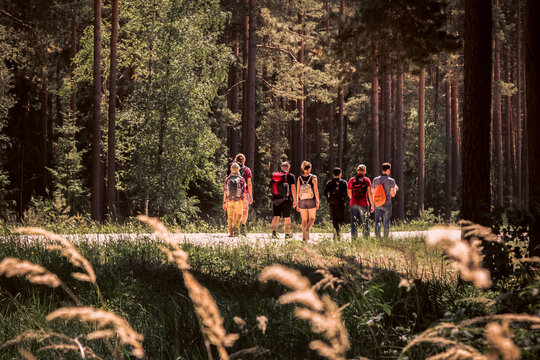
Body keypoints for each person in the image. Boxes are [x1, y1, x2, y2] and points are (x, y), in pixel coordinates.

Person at [227, 154, 253, 235]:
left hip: (233, 193)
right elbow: (249, 183)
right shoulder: (247, 170)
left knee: (235, 210)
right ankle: (243, 227)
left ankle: (235, 227)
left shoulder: (232, 168)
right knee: (245, 210)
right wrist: (251, 196)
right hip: (244, 193)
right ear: (244, 160)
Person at [270, 161, 297, 239]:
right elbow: (293, 188)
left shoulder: (275, 176)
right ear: (288, 168)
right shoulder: (291, 176)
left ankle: (274, 233)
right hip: (287, 199)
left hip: (276, 198)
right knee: (287, 217)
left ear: (281, 167)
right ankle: (287, 234)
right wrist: (295, 200)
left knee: (276, 216)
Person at [372, 162, 398, 238]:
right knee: (386, 222)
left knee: (377, 222)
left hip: (377, 204)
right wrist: (396, 189)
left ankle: (377, 238)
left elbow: (373, 192)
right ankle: (385, 238)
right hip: (387, 204)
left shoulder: (375, 180)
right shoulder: (391, 181)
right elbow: (393, 194)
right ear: (387, 170)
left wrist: (374, 203)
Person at [347, 164, 374, 238]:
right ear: (364, 171)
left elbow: (349, 191)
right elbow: (369, 193)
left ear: (357, 171)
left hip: (353, 203)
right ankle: (366, 239)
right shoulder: (367, 180)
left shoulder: (352, 180)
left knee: (353, 223)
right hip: (364, 203)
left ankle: (354, 240)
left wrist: (352, 198)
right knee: (365, 222)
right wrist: (372, 204)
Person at [296, 161, 319, 241]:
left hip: (302, 200)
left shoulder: (299, 178)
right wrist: (317, 201)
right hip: (311, 200)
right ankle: (307, 229)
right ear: (309, 168)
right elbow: (316, 190)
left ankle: (304, 237)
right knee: (312, 218)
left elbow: (298, 191)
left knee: (304, 220)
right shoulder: (313, 177)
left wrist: (297, 202)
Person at [223, 162, 246, 237]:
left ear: (231, 169)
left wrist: (224, 202)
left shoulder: (227, 179)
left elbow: (225, 192)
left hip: (229, 200)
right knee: (239, 215)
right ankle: (236, 227)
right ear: (238, 169)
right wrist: (245, 201)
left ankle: (230, 232)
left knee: (230, 216)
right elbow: (244, 191)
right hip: (238, 200)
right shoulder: (241, 179)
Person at [323, 167, 348, 237]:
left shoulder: (329, 182)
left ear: (333, 174)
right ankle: (339, 232)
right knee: (340, 218)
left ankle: (335, 233)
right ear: (340, 174)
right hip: (341, 203)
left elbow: (324, 193)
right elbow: (346, 193)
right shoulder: (343, 182)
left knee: (334, 218)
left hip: (332, 203)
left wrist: (329, 196)